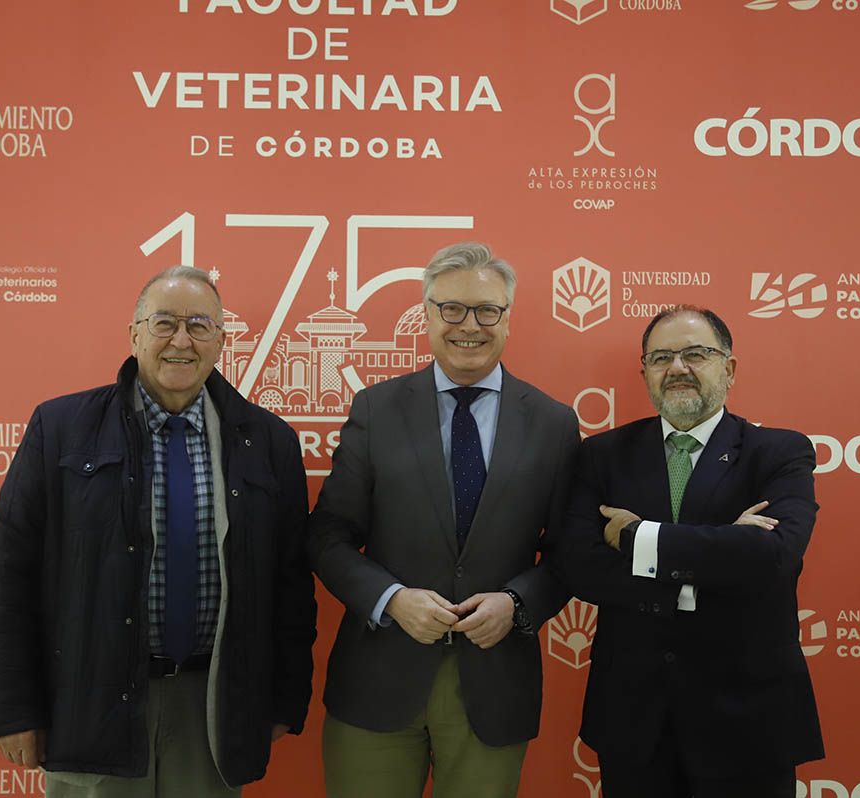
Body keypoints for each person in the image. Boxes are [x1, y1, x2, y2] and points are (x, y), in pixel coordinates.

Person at [0, 265, 317, 796]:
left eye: (200, 325)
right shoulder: (62, 429)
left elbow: (291, 589)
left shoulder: (268, 442)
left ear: (222, 341)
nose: (181, 340)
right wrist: (12, 708)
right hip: (92, 702)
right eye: (164, 323)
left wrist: (281, 701)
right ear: (134, 335)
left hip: (213, 709)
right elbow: (5, 577)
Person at [306, 242, 580, 798]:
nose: (468, 326)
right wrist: (390, 599)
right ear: (426, 314)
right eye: (451, 309)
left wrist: (518, 603)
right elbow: (327, 536)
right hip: (378, 681)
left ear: (508, 317)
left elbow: (570, 552)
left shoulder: (553, 423)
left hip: (494, 684)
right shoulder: (376, 410)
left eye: (487, 310)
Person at [555, 305, 824, 798]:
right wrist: (722, 552)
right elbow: (579, 566)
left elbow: (774, 555)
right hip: (635, 722)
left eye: (695, 354)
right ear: (645, 373)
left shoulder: (780, 452)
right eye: (661, 358)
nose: (677, 368)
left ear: (730, 368)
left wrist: (639, 538)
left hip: (749, 721)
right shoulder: (601, 455)